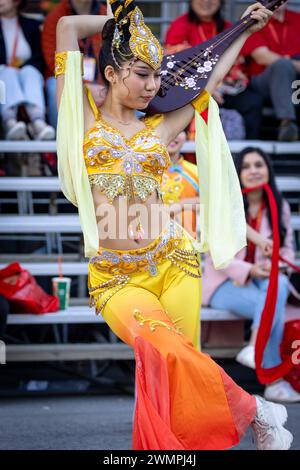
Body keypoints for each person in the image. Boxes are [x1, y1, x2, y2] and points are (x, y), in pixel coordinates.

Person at [56, 0, 293, 450]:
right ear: (111, 74)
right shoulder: (82, 116)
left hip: (174, 262)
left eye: (157, 75)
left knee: (180, 370)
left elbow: (211, 77)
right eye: (142, 74)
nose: (153, 84)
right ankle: (257, 410)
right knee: (164, 350)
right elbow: (67, 26)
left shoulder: (160, 129)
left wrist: (243, 29)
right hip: (116, 277)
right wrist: (119, 25)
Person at [202, 146, 300, 403]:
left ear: (268, 170)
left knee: (277, 288)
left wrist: (276, 266)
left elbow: (288, 249)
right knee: (272, 306)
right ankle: (273, 380)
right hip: (223, 283)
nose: (254, 171)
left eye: (259, 165)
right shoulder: (226, 206)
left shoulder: (280, 207)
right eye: (246, 166)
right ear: (238, 174)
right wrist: (251, 270)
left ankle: (256, 348)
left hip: (266, 281)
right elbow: (217, 257)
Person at [164, 0, 264, 140]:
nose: (206, 2)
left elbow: (239, 62)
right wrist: (207, 88)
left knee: (253, 101)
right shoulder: (179, 25)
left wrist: (219, 85)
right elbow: (176, 65)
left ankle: (248, 152)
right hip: (191, 88)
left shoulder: (229, 27)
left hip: (226, 88)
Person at [42, 0, 107, 129]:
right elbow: (52, 60)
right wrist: (83, 86)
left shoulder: (106, 14)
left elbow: (115, 57)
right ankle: (61, 138)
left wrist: (104, 85)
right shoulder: (56, 16)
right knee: (52, 86)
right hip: (66, 79)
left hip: (102, 82)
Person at [242, 3, 300, 141]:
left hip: (295, 83)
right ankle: (287, 123)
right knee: (282, 66)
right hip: (262, 82)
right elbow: (262, 57)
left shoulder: (297, 19)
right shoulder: (255, 18)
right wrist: (294, 63)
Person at [0, 0, 55, 140]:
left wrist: (22, 69)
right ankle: (9, 121)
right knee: (7, 72)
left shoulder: (31, 25)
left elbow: (39, 56)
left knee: (30, 71)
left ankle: (38, 122)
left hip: (26, 74)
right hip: (3, 75)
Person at [162, 130, 200, 239]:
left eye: (179, 130)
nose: (173, 134)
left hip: (188, 247)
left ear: (187, 135)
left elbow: (212, 205)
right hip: (154, 247)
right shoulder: (145, 172)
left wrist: (182, 204)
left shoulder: (197, 172)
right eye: (168, 128)